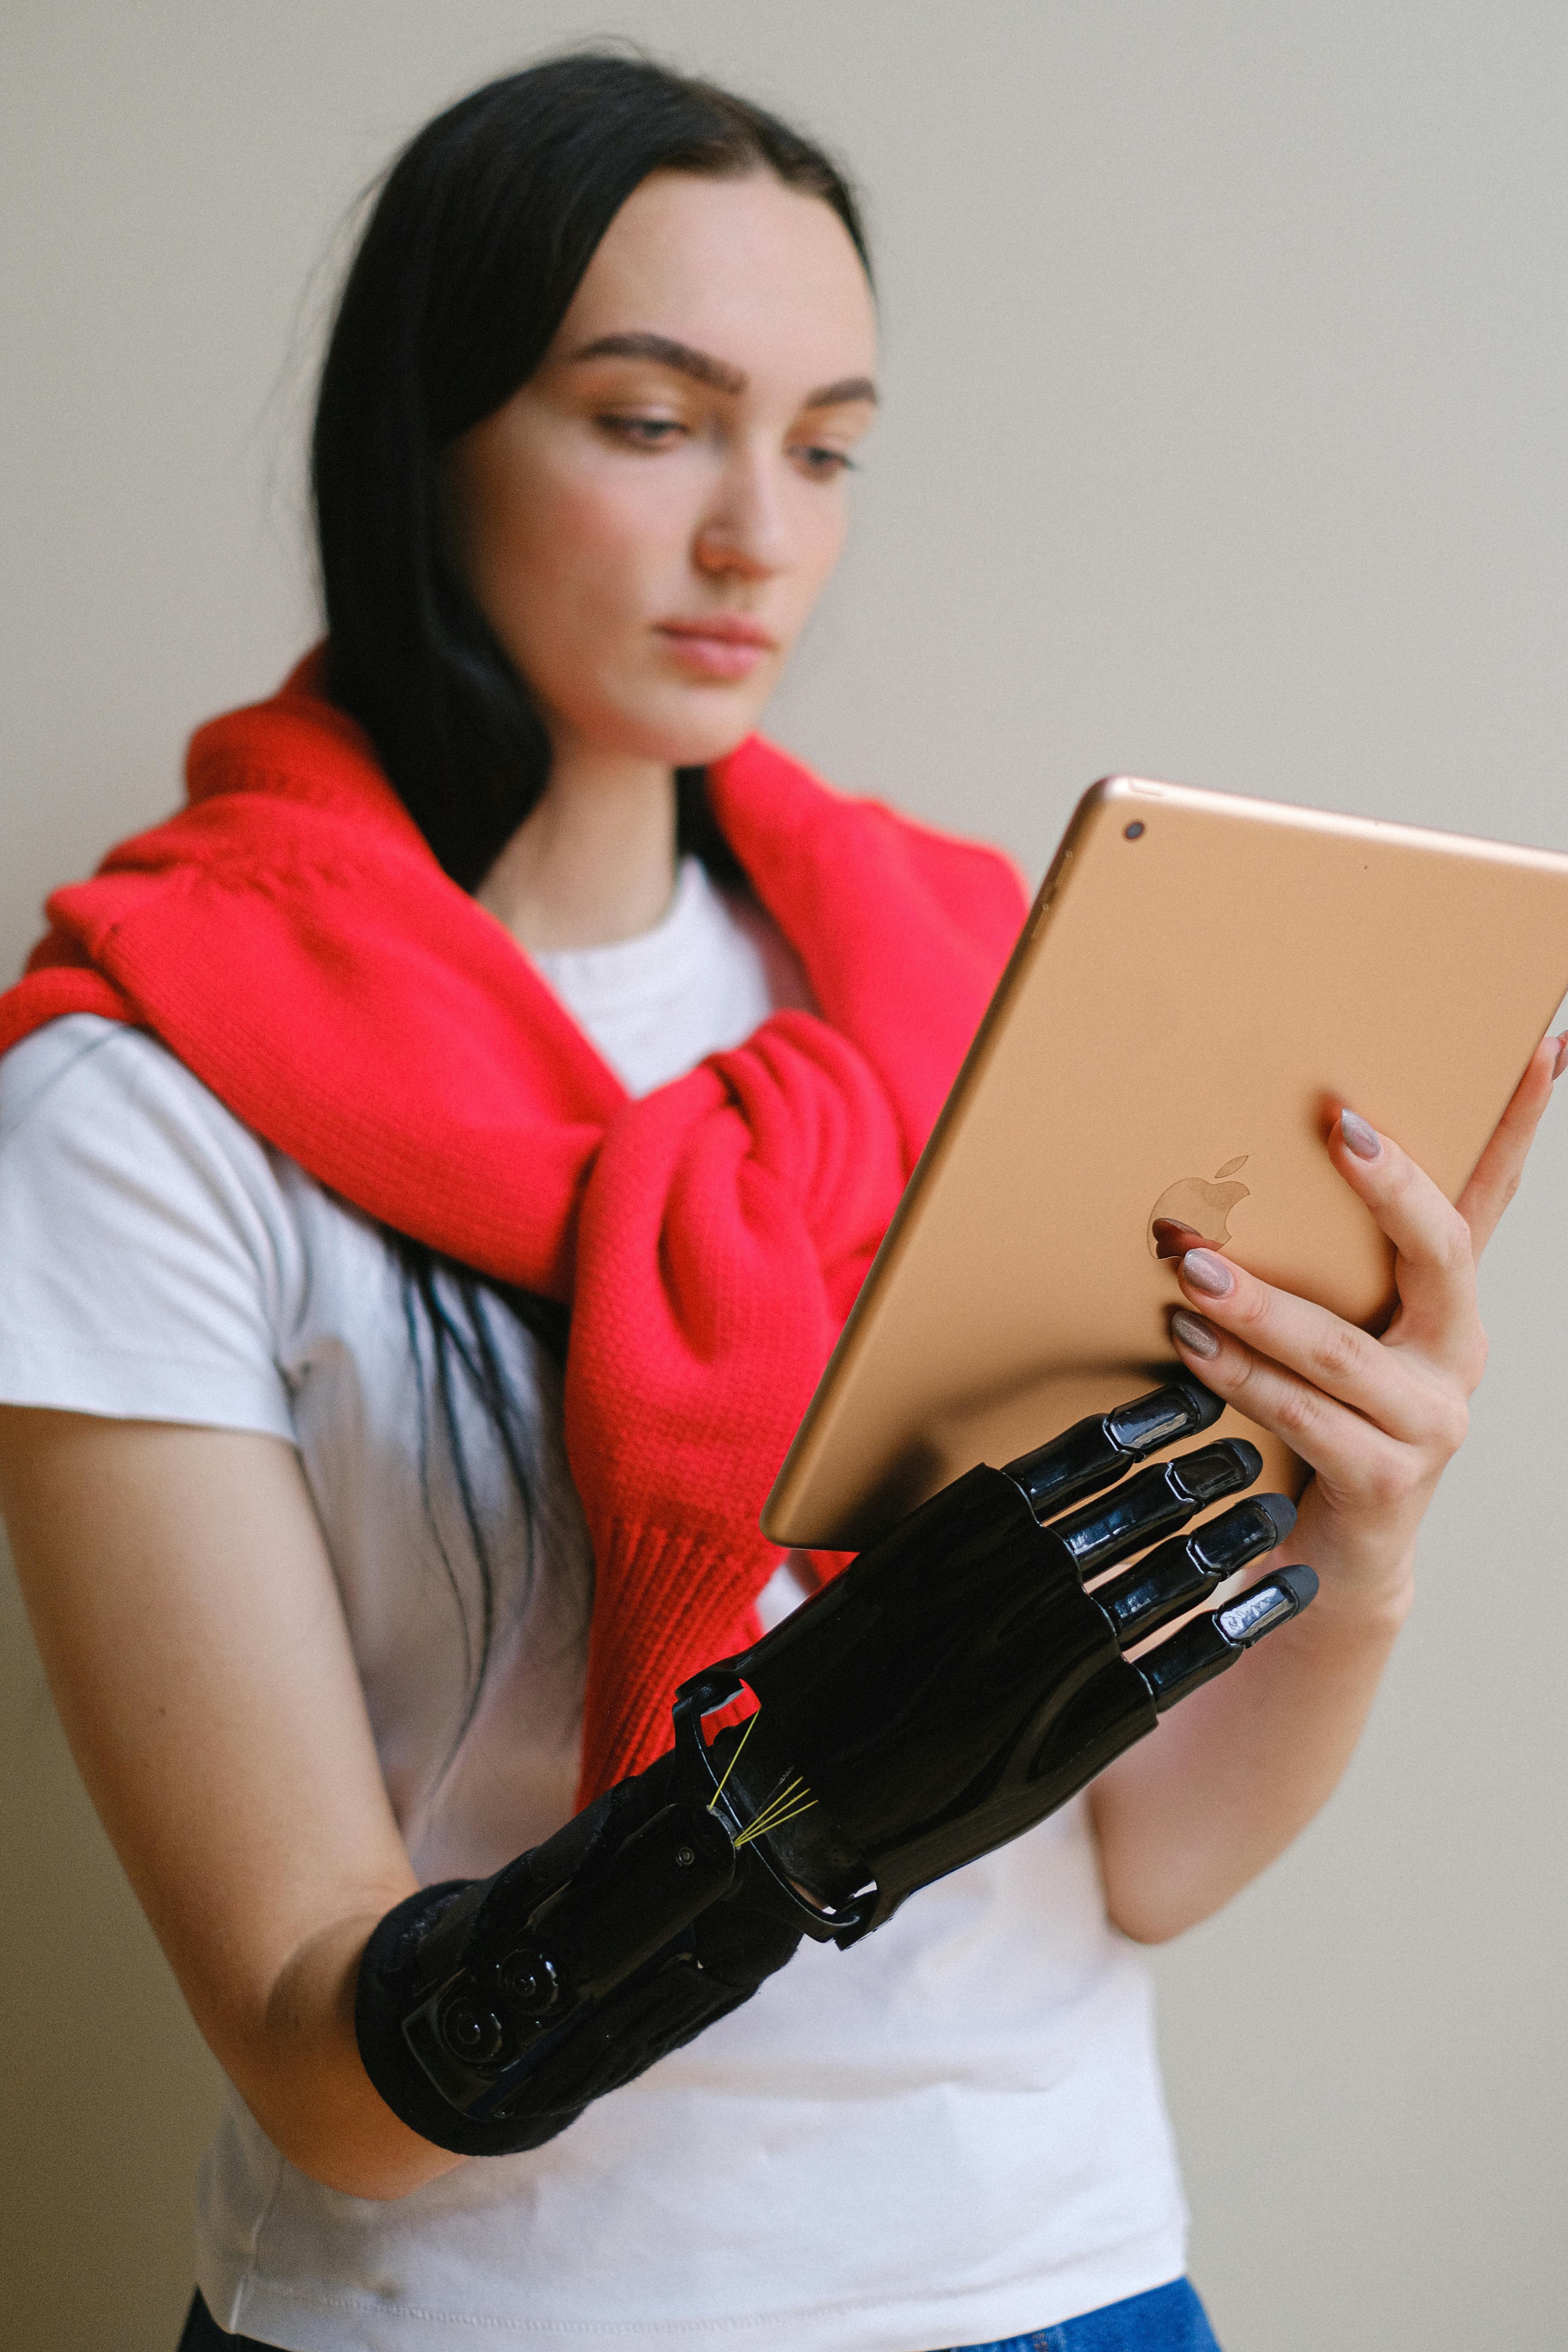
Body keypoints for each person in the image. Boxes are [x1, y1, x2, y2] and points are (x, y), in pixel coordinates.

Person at [0, 50, 1560, 2352]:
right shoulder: (144, 1097)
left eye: (826, 445)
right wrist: (803, 1793)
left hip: (1062, 2274)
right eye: (653, 423)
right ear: (423, 439)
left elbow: (1138, 1859)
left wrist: (1365, 1546)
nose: (764, 533)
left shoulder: (979, 985)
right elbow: (323, 2069)